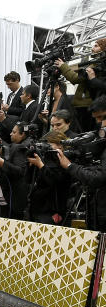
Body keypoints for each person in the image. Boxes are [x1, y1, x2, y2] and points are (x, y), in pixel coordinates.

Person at [57, 96, 106, 230]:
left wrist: (70, 166)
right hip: (97, 208)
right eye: (97, 119)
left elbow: (98, 177)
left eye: (102, 118)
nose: (101, 124)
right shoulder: (97, 139)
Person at [27, 129, 72, 225]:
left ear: (60, 145)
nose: (46, 147)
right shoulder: (44, 159)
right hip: (36, 207)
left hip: (53, 210)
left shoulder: (65, 160)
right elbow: (28, 179)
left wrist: (41, 165)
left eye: (49, 144)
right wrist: (31, 166)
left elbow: (54, 181)